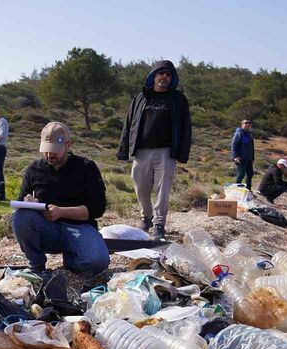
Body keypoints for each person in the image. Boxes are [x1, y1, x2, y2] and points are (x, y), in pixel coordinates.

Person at [12, 122, 109, 275]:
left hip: (80, 227)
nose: (50, 155)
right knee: (20, 217)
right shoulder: (34, 170)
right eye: (46, 151)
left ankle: (72, 259)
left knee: (97, 264)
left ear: (68, 144)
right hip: (48, 229)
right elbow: (20, 206)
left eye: (55, 151)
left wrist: (61, 212)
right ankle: (36, 266)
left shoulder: (86, 167)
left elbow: (97, 208)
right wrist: (29, 203)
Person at [117, 60, 192, 240]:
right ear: (153, 76)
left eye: (168, 74)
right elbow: (129, 124)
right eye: (161, 73)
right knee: (140, 186)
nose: (164, 77)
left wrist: (182, 152)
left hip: (166, 151)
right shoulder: (140, 98)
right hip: (142, 150)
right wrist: (123, 149)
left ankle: (159, 223)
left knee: (162, 189)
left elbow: (186, 127)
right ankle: (146, 217)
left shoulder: (178, 99)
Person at [231, 119, 255, 190]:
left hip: (249, 158)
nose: (248, 124)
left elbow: (252, 147)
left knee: (250, 174)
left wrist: (252, 157)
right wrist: (235, 157)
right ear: (242, 125)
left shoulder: (249, 134)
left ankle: (248, 190)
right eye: (246, 123)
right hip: (240, 158)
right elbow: (234, 145)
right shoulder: (239, 133)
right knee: (241, 175)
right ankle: (236, 190)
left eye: (249, 123)